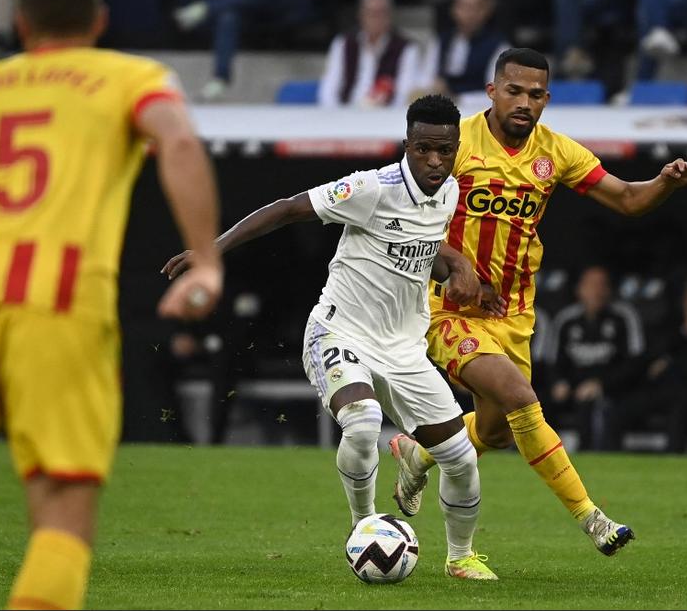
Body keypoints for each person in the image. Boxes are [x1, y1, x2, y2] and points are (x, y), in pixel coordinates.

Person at [163, 94, 504, 580]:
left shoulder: (447, 192)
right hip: (339, 330)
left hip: (404, 347)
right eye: (424, 148)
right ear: (406, 144)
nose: (434, 160)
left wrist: (461, 266)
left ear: (455, 148)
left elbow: (426, 242)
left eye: (444, 150)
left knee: (460, 458)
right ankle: (362, 527)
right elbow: (286, 209)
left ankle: (461, 557)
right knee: (363, 421)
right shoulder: (370, 188)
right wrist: (212, 251)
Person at [389, 48, 687, 557]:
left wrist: (664, 183)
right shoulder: (455, 143)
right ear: (492, 92)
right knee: (521, 400)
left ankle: (418, 453)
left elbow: (626, 198)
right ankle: (593, 518)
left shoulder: (556, 153)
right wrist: (456, 265)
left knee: (493, 432)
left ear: (546, 100)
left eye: (536, 95)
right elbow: (404, 219)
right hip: (445, 308)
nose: (524, 102)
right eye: (514, 91)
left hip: (512, 314)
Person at [0, 0, 224, 608]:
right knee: (62, 504)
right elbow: (176, 140)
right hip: (56, 300)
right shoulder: (130, 76)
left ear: (18, 21)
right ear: (100, 20)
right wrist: (205, 262)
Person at [609, 272, 687, 454]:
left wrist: (670, 364)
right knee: (620, 410)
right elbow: (655, 353)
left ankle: (675, 461)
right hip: (667, 388)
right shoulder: (674, 323)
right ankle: (610, 458)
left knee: (682, 411)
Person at [548, 265, 645, 451]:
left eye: (601, 285)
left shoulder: (623, 317)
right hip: (573, 388)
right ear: (579, 290)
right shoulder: (566, 320)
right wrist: (558, 382)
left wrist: (601, 384)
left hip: (612, 389)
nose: (596, 291)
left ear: (609, 290)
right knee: (537, 404)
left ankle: (593, 458)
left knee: (597, 408)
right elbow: (554, 361)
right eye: (591, 285)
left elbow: (635, 363)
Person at [173, 0, 321, 102]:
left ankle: (205, 9)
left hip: (293, 3)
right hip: (255, 10)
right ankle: (220, 79)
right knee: (229, 19)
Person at [317, 0, 422, 108]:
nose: (375, 18)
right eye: (370, 13)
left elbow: (404, 93)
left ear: (389, 16)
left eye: (380, 13)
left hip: (385, 117)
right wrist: (337, 114)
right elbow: (329, 88)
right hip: (345, 113)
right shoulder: (343, 43)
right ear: (361, 15)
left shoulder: (406, 48)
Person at [419, 0, 511, 104]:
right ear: (454, 10)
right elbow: (426, 79)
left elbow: (497, 94)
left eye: (476, 8)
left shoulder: (499, 46)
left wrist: (458, 99)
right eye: (464, 7)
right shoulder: (441, 41)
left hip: (478, 113)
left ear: (486, 12)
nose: (470, 14)